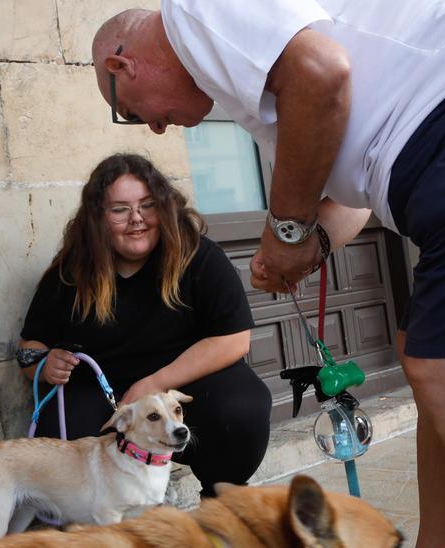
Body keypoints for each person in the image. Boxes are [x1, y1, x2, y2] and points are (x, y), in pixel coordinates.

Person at [91, 2, 445, 545]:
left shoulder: (192, 11)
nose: (156, 127)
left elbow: (322, 72)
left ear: (123, 66)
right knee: (428, 354)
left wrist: (287, 229)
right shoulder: (250, 74)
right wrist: (311, 241)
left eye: (136, 114)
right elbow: (356, 192)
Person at [18, 153, 272, 497]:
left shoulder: (197, 256)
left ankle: (222, 500)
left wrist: (153, 385)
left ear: (164, 208)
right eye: (120, 209)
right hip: (105, 394)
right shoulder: (71, 273)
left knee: (240, 408)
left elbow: (234, 340)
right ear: (98, 218)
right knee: (59, 431)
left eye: (147, 205)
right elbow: (29, 349)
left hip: (187, 385)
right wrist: (45, 365)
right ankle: (102, 524)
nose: (137, 219)